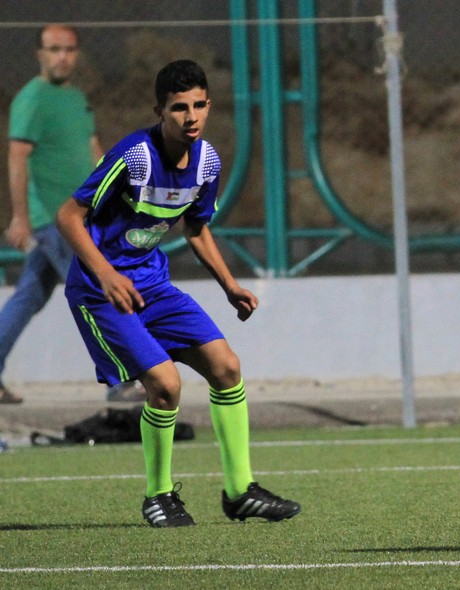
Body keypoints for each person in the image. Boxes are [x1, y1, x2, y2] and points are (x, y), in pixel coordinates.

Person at [56, 59, 300, 527]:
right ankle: (158, 496)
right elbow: (69, 215)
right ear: (160, 112)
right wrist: (106, 275)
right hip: (100, 292)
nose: (191, 117)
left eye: (199, 106)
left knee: (226, 367)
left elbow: (196, 227)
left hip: (152, 284)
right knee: (166, 385)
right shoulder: (134, 157)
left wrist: (229, 285)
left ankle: (240, 491)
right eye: (179, 108)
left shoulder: (206, 162)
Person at [1, 24, 143, 404]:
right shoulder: (32, 98)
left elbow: (93, 151)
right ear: (40, 54)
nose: (62, 56)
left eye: (69, 49)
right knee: (99, 290)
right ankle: (120, 382)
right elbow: (17, 157)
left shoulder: (76, 98)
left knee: (29, 295)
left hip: (84, 217)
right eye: (54, 49)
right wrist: (20, 217)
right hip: (57, 219)